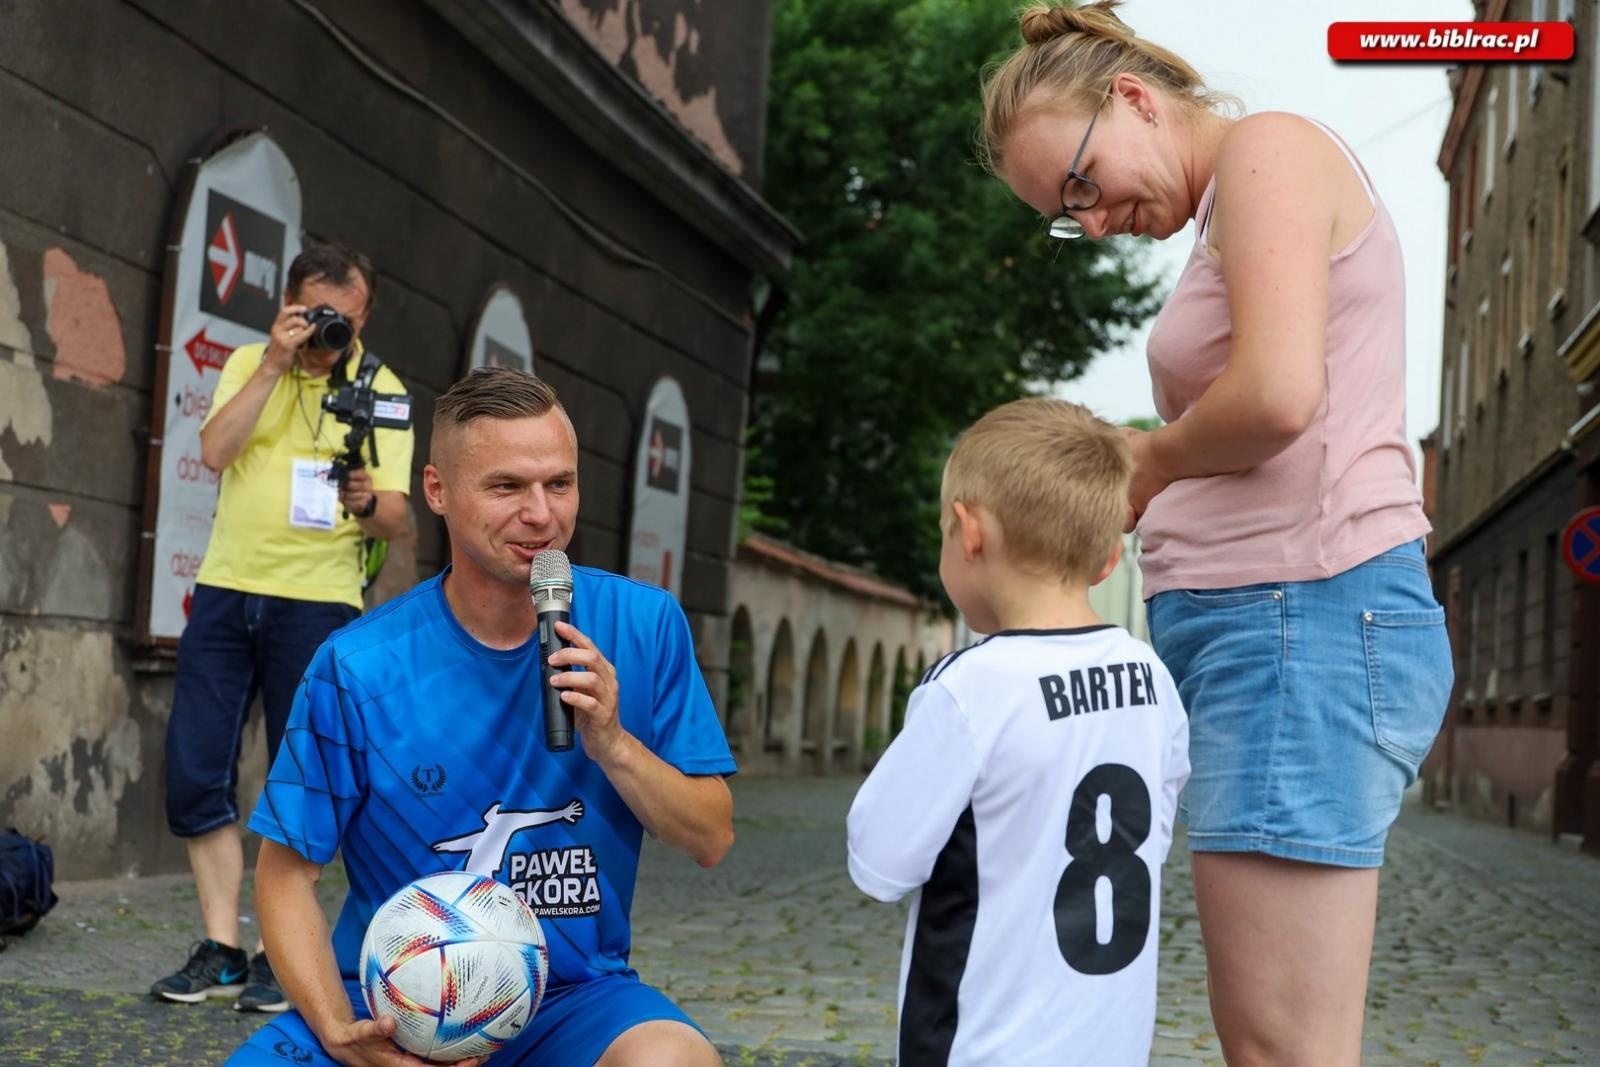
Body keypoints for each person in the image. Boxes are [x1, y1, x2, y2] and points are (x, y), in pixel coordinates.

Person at [978, 4, 1454, 1064]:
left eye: (1081, 186)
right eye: (1066, 215)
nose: (1091, 224)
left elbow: (1279, 396)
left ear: (1135, 100)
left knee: (1280, 1045)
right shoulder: (1231, 202)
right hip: (1278, 627)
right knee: (1274, 1040)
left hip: (1301, 613)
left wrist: (1139, 463)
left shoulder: (1268, 151)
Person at [226, 367, 736, 1066]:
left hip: (570, 998)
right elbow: (284, 873)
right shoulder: (359, 665)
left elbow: (711, 834)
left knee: (675, 1060)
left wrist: (614, 743)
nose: (542, 513)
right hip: (393, 1001)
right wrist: (339, 1030)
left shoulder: (643, 625)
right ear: (437, 490)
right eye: (507, 486)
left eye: (559, 483)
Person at [847, 398, 1190, 1066]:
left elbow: (879, 862)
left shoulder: (972, 686)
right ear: (1105, 562)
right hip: (1112, 1045)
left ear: (969, 531)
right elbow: (1155, 831)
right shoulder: (1152, 677)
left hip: (985, 1043)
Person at [153, 243, 414, 1013]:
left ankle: (276, 951)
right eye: (317, 311)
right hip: (228, 589)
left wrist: (369, 501)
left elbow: (400, 519)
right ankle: (219, 947)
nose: (332, 326)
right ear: (291, 304)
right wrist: (273, 362)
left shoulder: (382, 390)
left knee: (298, 780)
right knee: (196, 768)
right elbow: (212, 449)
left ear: (364, 315)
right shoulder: (248, 364)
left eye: (346, 314)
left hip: (320, 598)